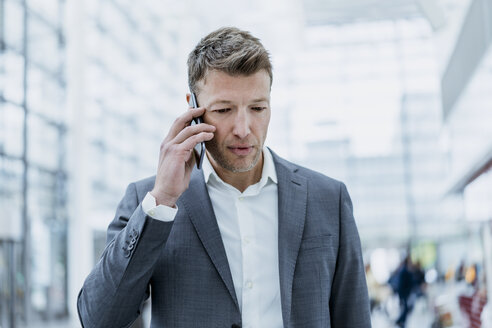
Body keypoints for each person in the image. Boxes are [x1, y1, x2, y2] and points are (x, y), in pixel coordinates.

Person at [77, 26, 371, 328]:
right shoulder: (149, 202)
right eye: (223, 109)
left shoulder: (327, 198)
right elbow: (99, 319)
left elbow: (354, 319)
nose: (243, 128)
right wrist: (162, 200)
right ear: (193, 107)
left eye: (257, 108)